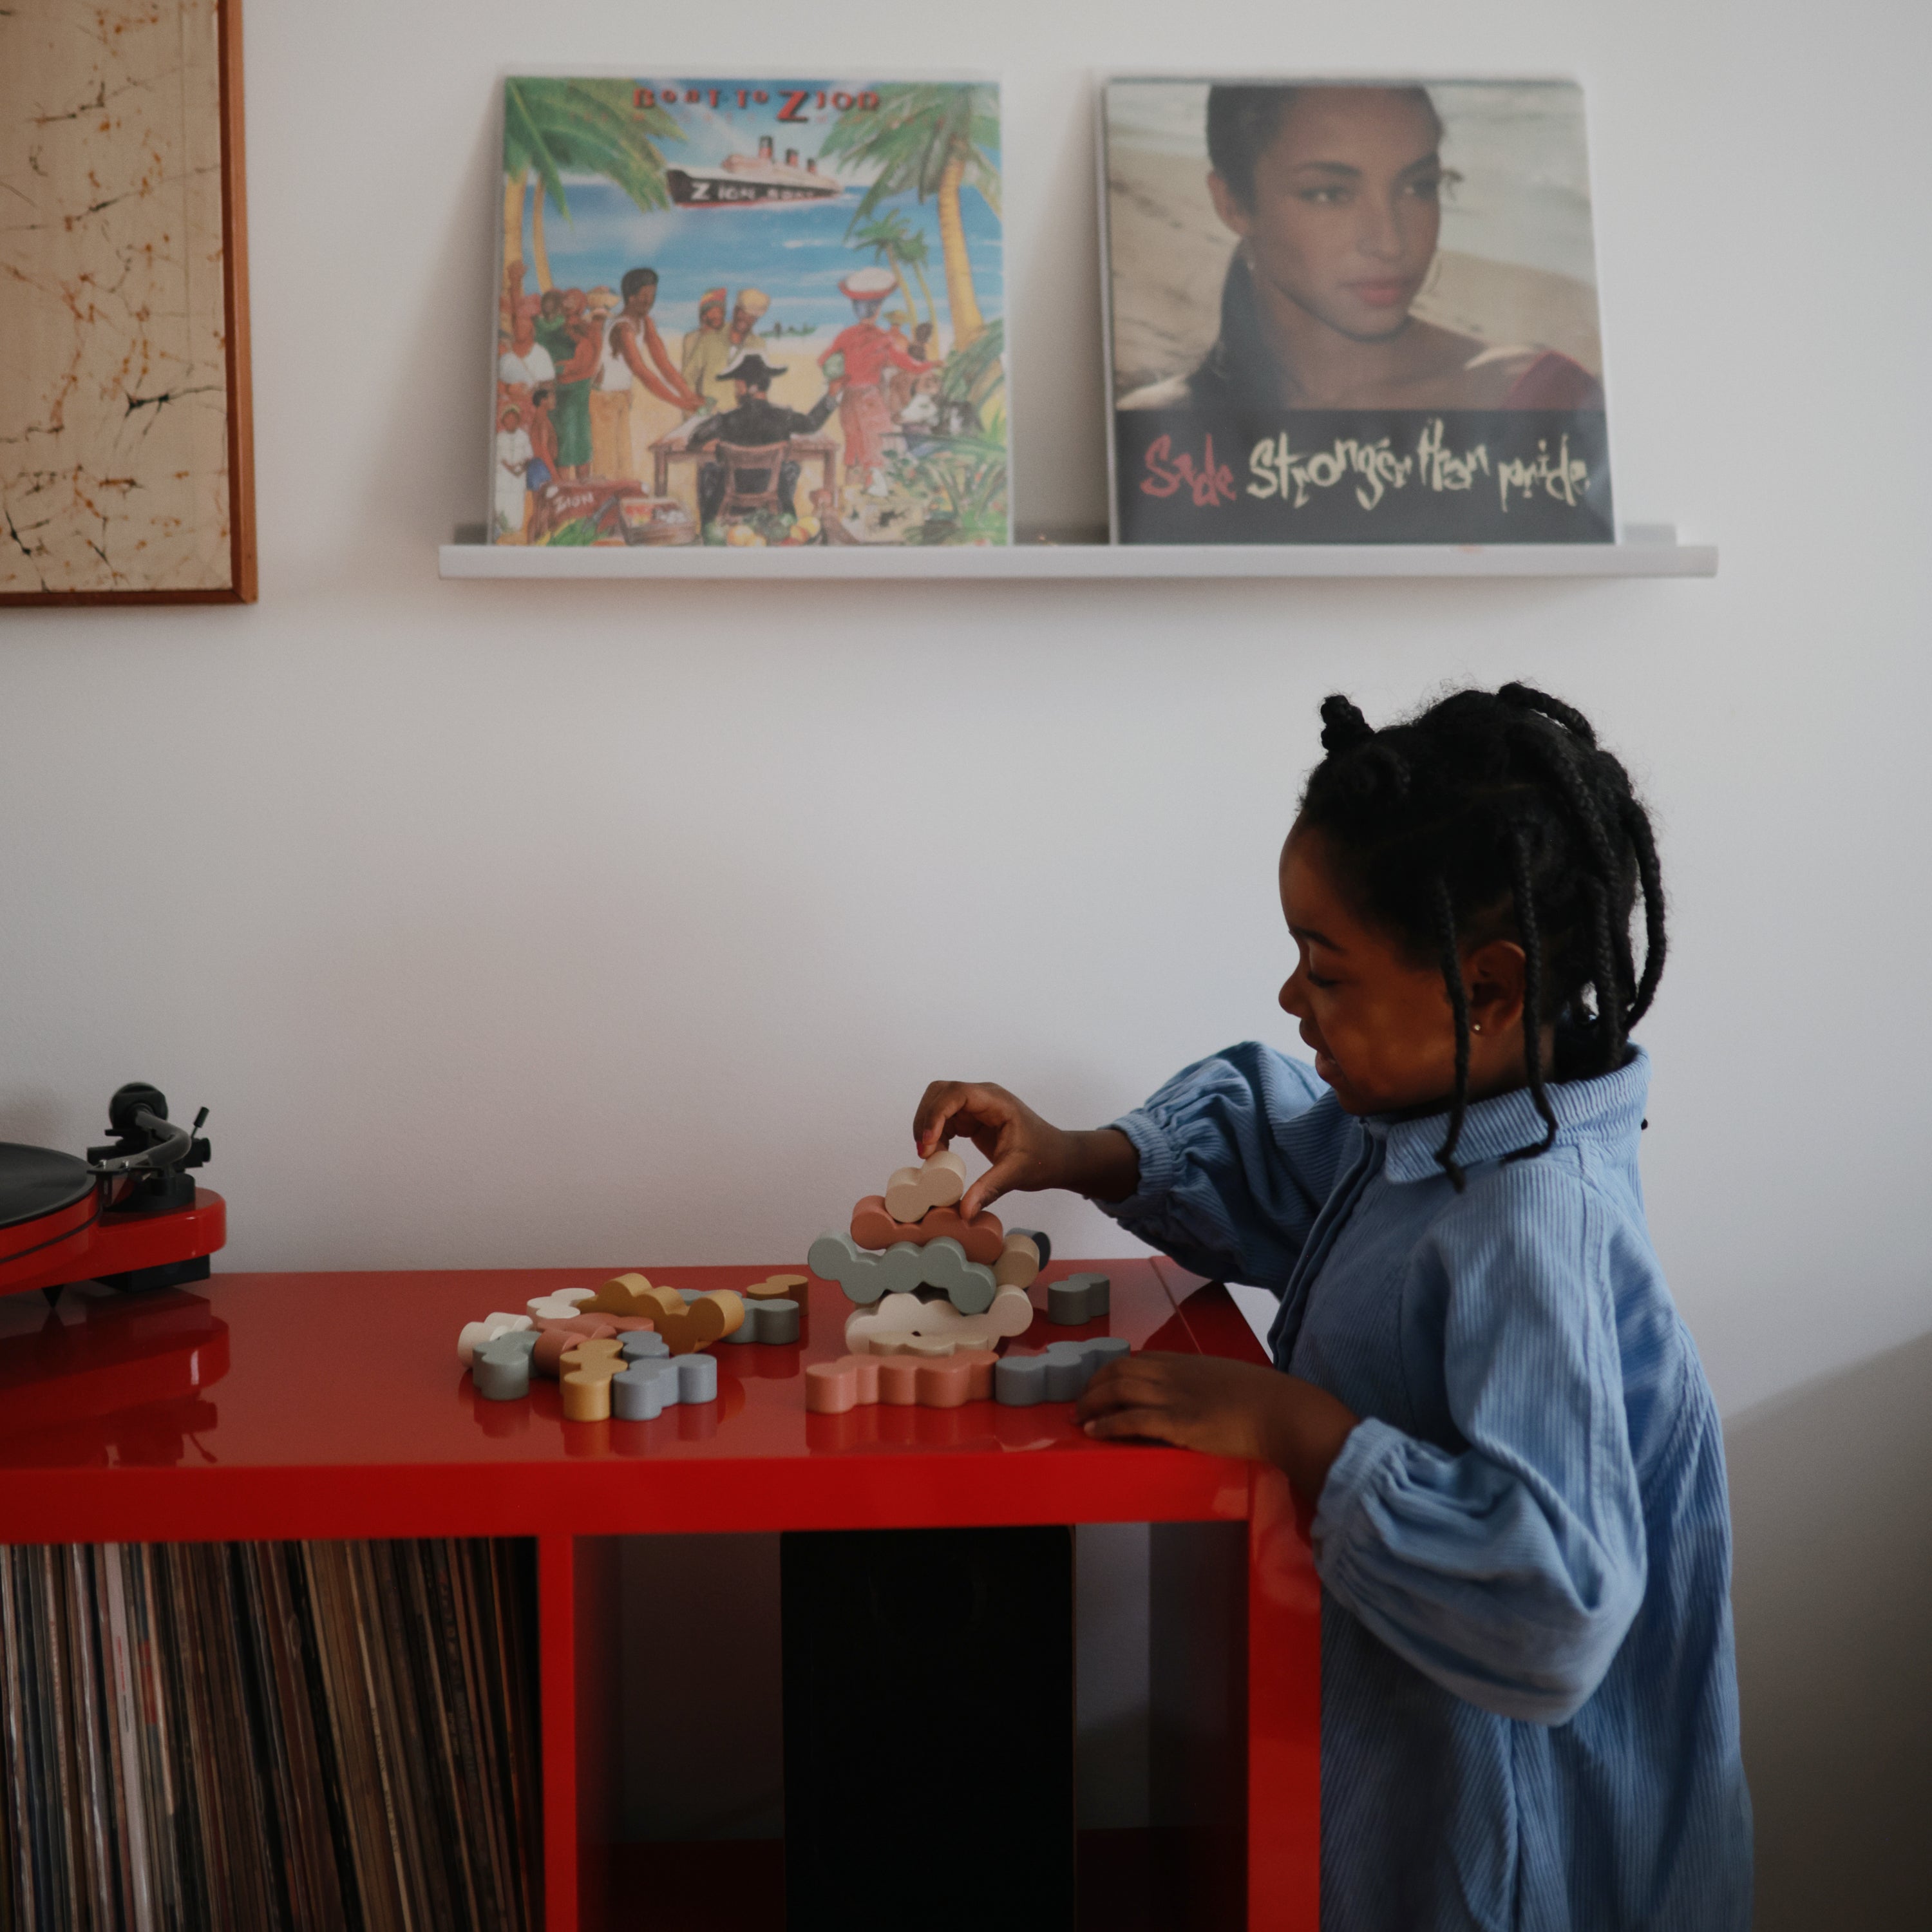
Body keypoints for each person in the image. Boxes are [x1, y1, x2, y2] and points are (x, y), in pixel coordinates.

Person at [913, 686, 1752, 1932]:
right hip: (1405, 1774)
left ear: (1488, 992)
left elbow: (1561, 1599)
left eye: (1328, 968)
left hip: (1515, 1849)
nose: (1294, 1000)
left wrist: (1297, 1429)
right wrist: (1071, 1149)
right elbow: (1285, 1158)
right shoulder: (1436, 1131)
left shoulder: (1537, 1229)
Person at [1121, 85, 1604, 413]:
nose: (1391, 242)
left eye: (1418, 186)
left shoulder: (1538, 398)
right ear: (1232, 204)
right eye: (1329, 194)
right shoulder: (1158, 433)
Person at [681, 351, 835, 527]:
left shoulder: (726, 420)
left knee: (708, 469)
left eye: (738, 386)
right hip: (774, 500)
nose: (736, 391)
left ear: (749, 387)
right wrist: (831, 395)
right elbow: (812, 423)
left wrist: (717, 446)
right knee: (791, 467)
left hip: (732, 499)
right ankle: (785, 520)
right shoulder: (784, 417)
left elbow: (695, 439)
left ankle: (709, 525)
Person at [820, 267, 931, 486]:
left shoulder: (846, 335)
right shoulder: (883, 338)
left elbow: (824, 361)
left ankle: (849, 501)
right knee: (877, 453)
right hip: (870, 399)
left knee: (853, 453)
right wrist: (933, 364)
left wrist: (847, 373)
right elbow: (910, 365)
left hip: (849, 400)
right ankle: (871, 505)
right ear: (878, 309)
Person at [681, 288, 731, 418]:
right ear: (704, 315)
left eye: (721, 312)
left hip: (720, 402)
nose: (718, 316)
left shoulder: (725, 336)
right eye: (713, 312)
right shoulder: (692, 339)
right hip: (698, 405)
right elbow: (688, 377)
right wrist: (691, 408)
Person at [493, 398, 533, 542]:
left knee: (516, 501)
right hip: (503, 475)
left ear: (518, 420)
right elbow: (497, 457)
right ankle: (500, 528)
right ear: (504, 421)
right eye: (508, 419)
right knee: (502, 500)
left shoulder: (524, 436)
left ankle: (514, 527)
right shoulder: (499, 437)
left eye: (514, 418)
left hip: (518, 476)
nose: (511, 421)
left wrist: (521, 469)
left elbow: (529, 456)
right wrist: (509, 468)